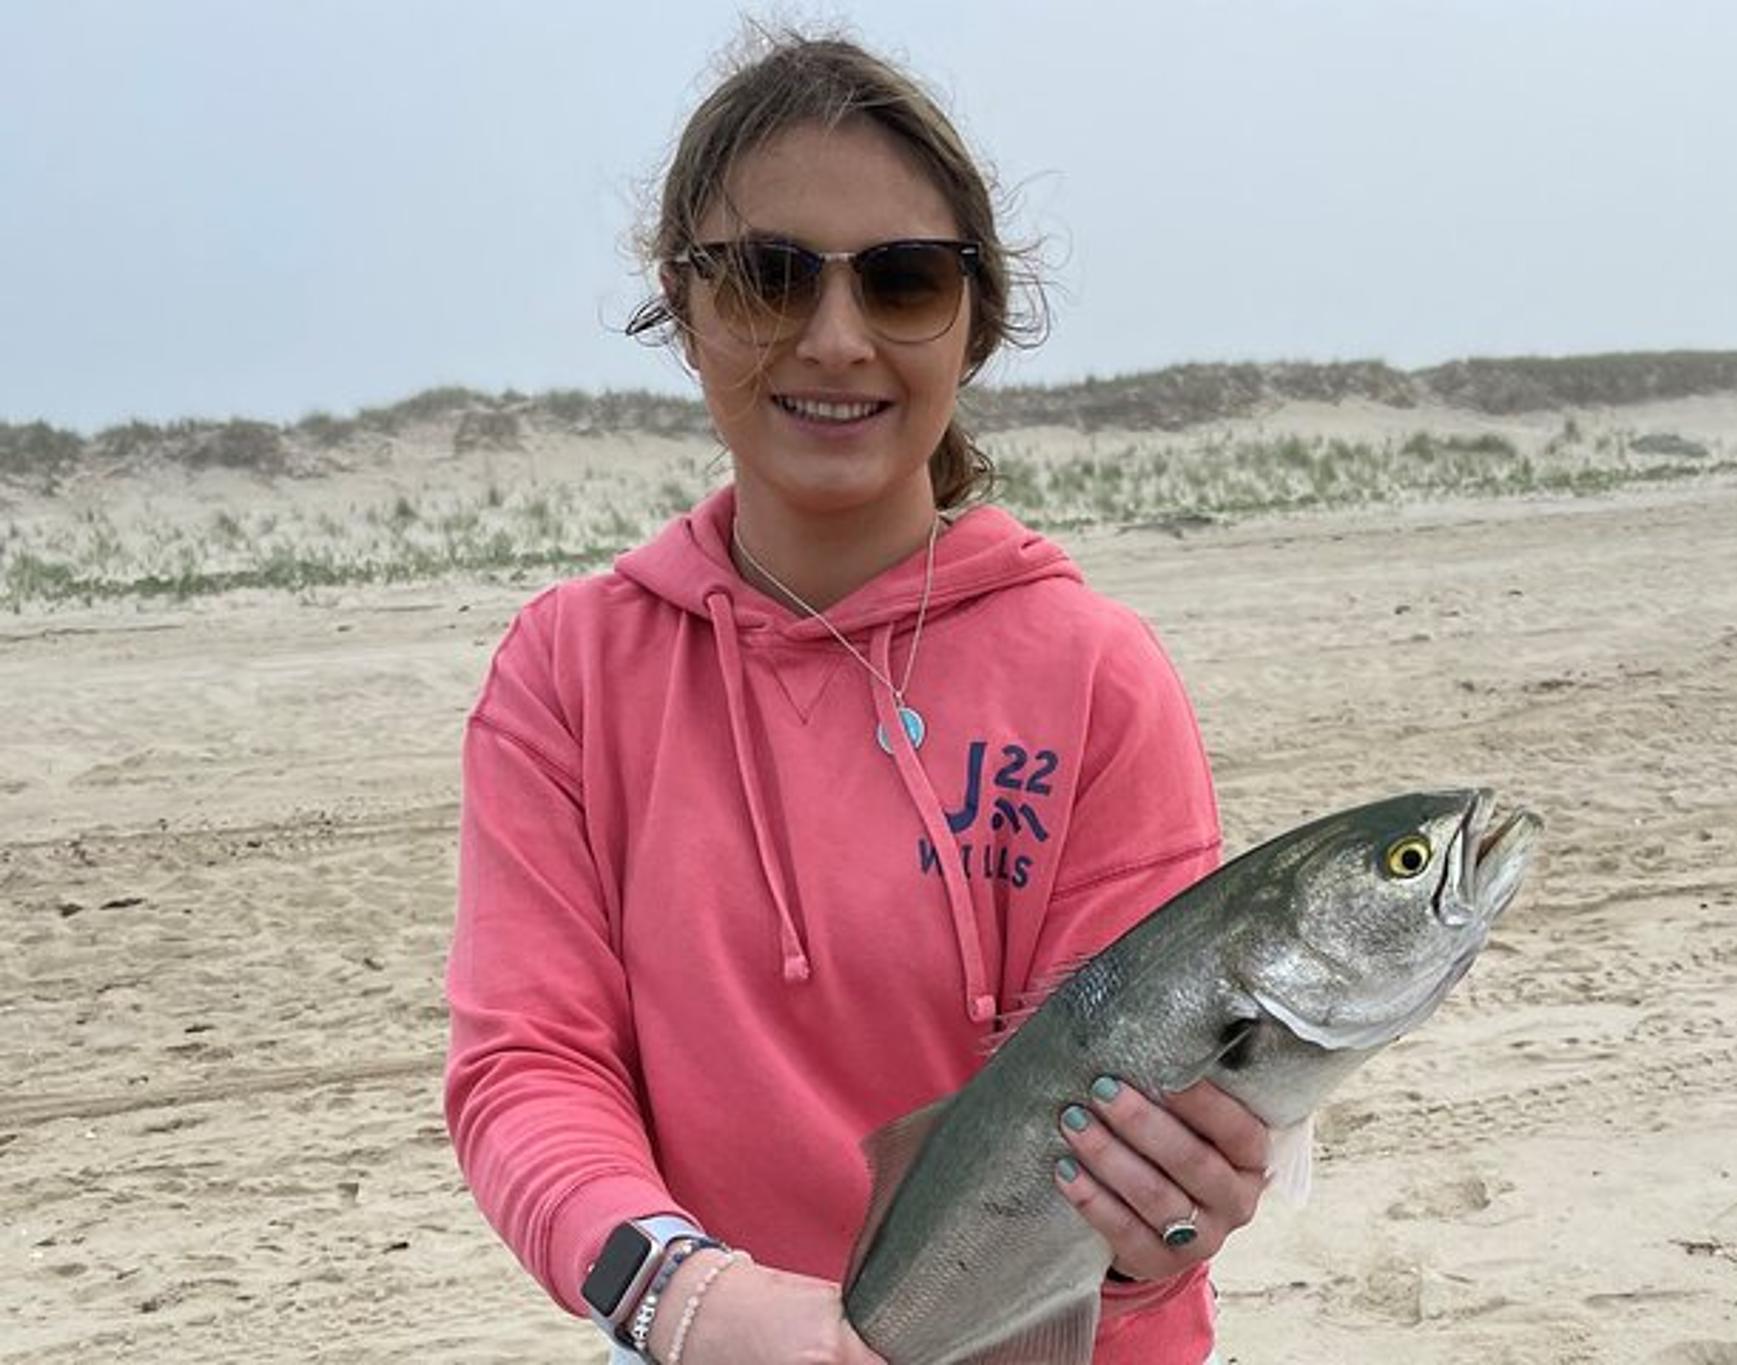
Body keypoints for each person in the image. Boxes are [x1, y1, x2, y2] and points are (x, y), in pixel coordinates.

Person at [443, 30, 1269, 1364]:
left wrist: (1164, 1223)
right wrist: (698, 1304)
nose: (836, 341)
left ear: (973, 315)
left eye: (902, 280)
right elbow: (526, 1069)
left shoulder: (1098, 680)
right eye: (769, 277)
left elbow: (1136, 1137)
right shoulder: (569, 675)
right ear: (686, 301)